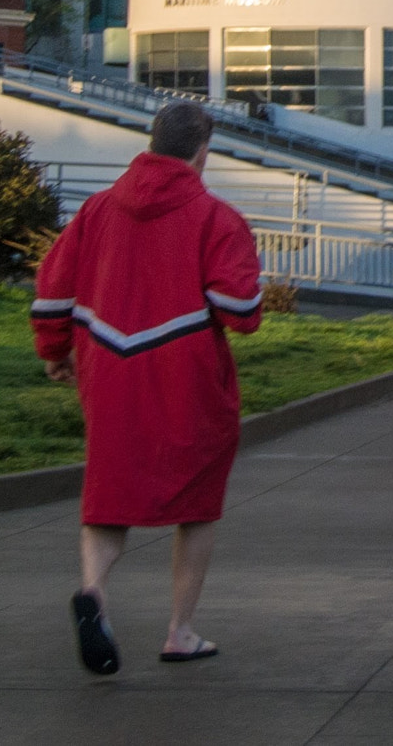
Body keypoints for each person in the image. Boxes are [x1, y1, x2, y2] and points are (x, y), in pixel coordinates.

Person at [32, 100, 262, 675]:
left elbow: (53, 291)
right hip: (187, 377)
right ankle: (180, 631)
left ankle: (94, 592)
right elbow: (240, 310)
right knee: (197, 502)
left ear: (152, 141)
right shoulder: (216, 218)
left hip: (107, 369)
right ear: (201, 151)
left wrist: (55, 351)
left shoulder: (96, 210)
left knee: (110, 492)